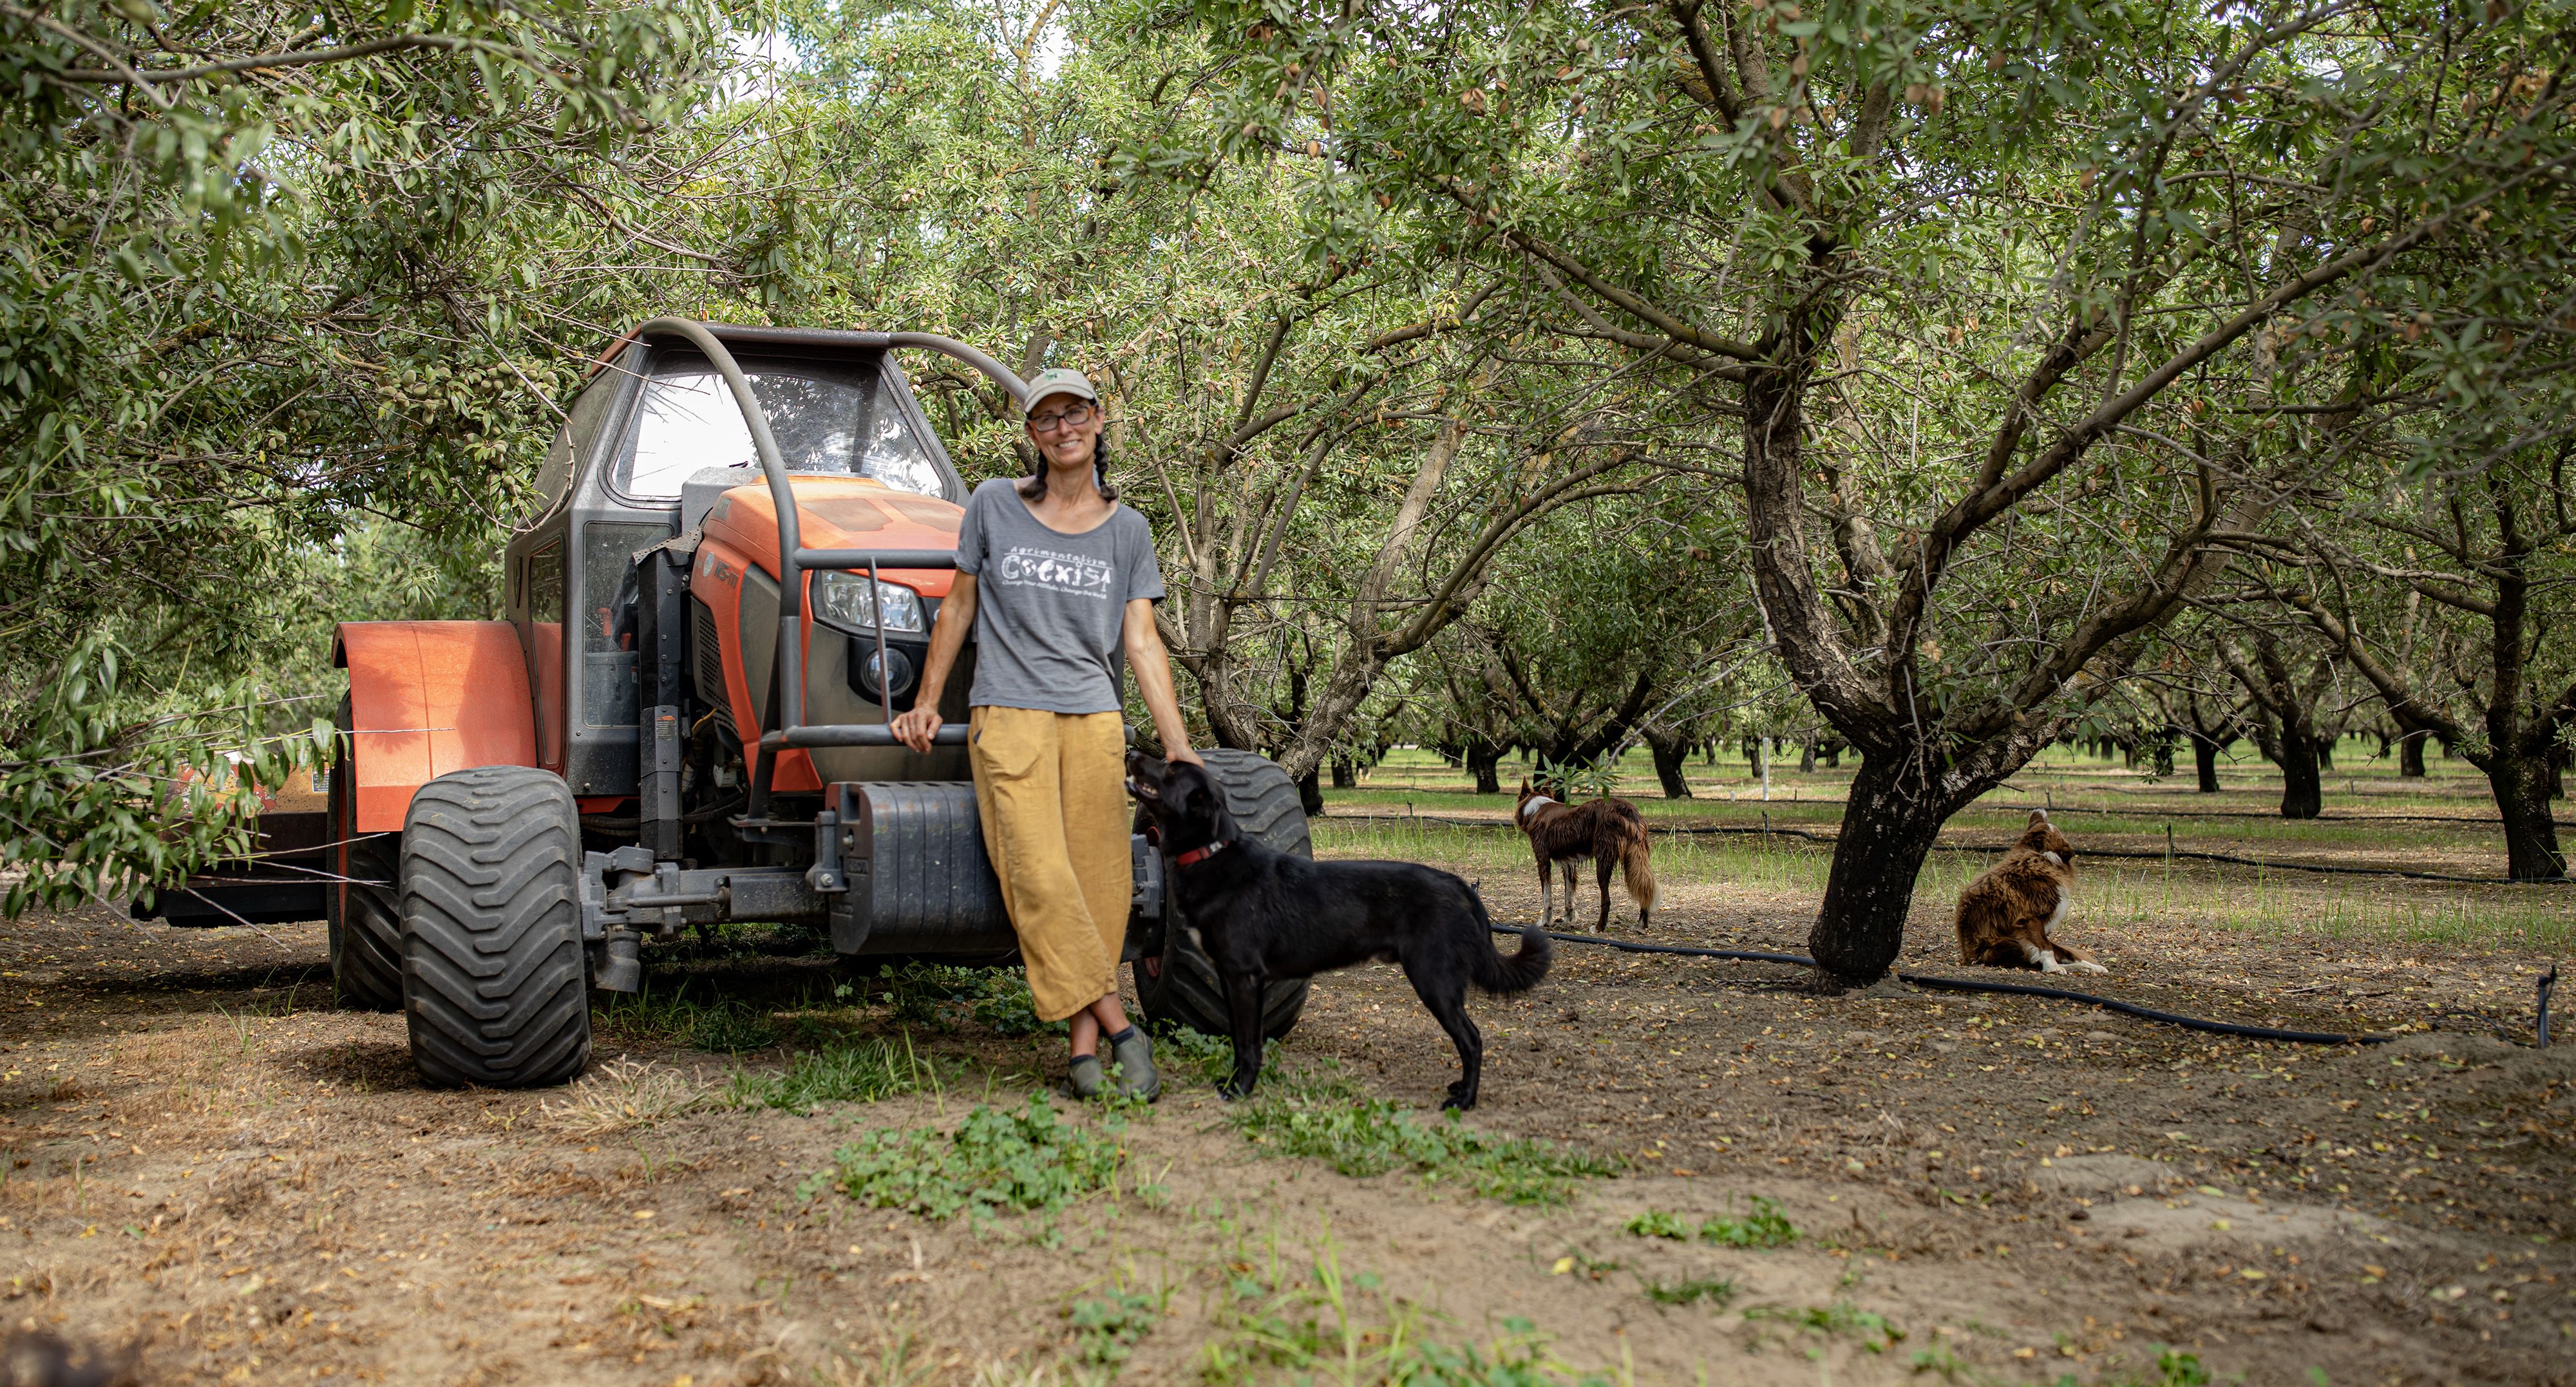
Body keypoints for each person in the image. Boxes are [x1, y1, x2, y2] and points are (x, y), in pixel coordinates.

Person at [891, 367, 1199, 1100]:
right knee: (1036, 874)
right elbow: (959, 609)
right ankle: (1123, 1025)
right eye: (1046, 419)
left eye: (1075, 414)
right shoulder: (995, 503)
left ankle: (1083, 1054)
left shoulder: (1129, 529)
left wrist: (1177, 742)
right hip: (1010, 714)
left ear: (1099, 420)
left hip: (1093, 719)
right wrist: (927, 701)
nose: (1062, 429)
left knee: (1097, 885)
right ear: (1031, 434)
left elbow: (1143, 643)